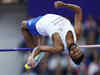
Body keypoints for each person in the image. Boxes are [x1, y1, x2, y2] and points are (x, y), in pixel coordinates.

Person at [21, 1, 84, 68]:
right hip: (50, 17)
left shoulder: (59, 47)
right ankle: (36, 49)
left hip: (42, 23)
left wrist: (31, 57)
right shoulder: (76, 33)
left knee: (23, 26)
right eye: (78, 52)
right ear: (80, 49)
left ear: (70, 55)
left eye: (74, 54)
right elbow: (78, 11)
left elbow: (39, 48)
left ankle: (33, 53)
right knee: (35, 35)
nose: (75, 51)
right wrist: (64, 5)